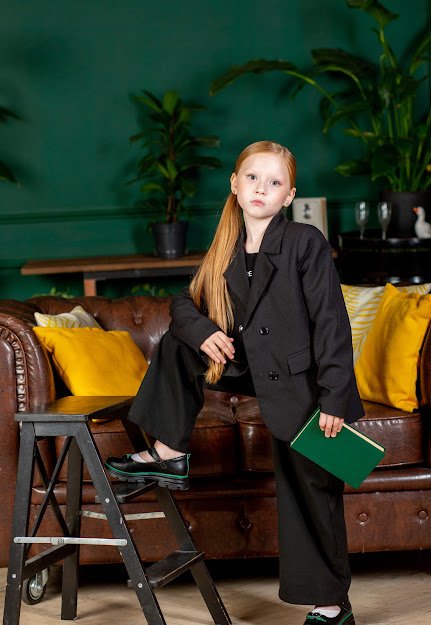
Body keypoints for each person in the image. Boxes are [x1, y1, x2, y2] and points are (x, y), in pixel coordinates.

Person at [106, 140, 364, 625]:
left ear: (289, 195)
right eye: (252, 177)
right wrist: (204, 331)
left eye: (274, 182)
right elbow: (183, 302)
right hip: (248, 368)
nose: (261, 188)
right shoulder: (225, 245)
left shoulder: (304, 241)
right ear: (234, 184)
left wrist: (334, 398)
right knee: (180, 341)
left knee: (311, 491)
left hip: (302, 383)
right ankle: (168, 451)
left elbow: (331, 323)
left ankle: (331, 606)